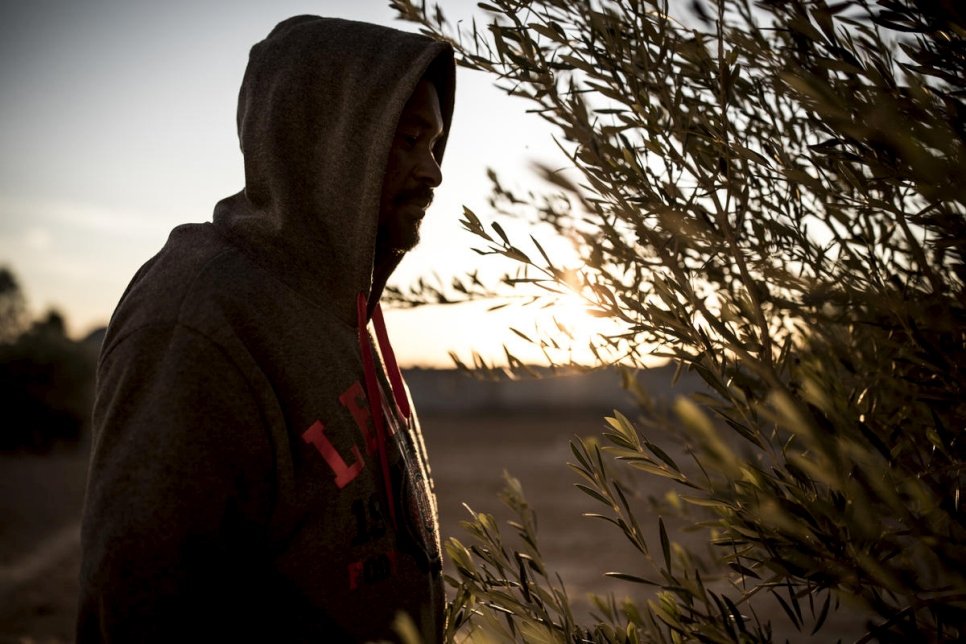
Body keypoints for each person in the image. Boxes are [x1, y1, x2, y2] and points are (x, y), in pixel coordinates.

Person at [77, 15, 455, 643]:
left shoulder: (340, 308)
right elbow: (137, 610)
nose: (433, 171)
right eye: (409, 139)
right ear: (330, 138)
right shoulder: (196, 318)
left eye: (435, 144)